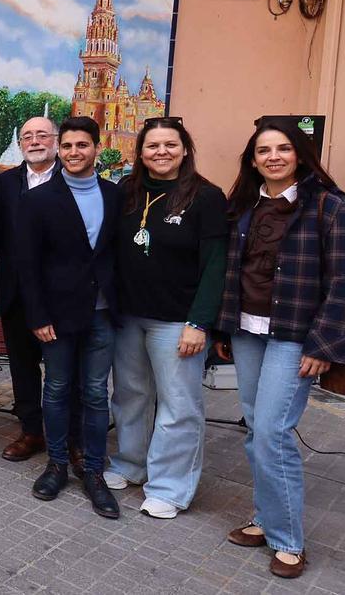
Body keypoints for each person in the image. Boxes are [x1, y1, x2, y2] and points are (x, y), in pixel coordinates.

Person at [217, 118, 345, 579]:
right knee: (258, 427)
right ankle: (265, 518)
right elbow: (231, 272)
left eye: (283, 148)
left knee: (273, 433)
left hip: (295, 336)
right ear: (253, 159)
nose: (273, 157)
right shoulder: (242, 206)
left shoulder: (333, 209)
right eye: (263, 151)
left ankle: (288, 541)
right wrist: (223, 329)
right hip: (246, 331)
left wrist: (324, 344)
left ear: (300, 154)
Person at [106, 117, 227, 520]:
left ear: (185, 149)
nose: (161, 152)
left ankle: (170, 487)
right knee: (130, 396)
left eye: (170, 145)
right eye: (153, 146)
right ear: (140, 152)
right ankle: (130, 463)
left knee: (178, 405)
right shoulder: (127, 190)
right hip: (129, 316)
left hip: (178, 321)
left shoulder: (206, 197)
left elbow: (215, 265)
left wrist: (200, 322)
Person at [17, 116, 121, 519]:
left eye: (83, 145)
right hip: (56, 316)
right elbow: (28, 265)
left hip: (102, 314)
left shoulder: (115, 196)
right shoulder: (38, 199)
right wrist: (38, 315)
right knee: (57, 388)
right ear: (60, 149)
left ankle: (93, 471)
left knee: (96, 393)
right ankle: (57, 464)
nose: (75, 152)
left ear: (96, 148)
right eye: (69, 146)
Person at [0, 117, 84, 466]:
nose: (34, 141)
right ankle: (31, 430)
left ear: (56, 141)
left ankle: (71, 438)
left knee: (66, 371)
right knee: (23, 366)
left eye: (42, 135)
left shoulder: (76, 181)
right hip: (16, 291)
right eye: (27, 136)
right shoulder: (3, 184)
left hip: (62, 295)